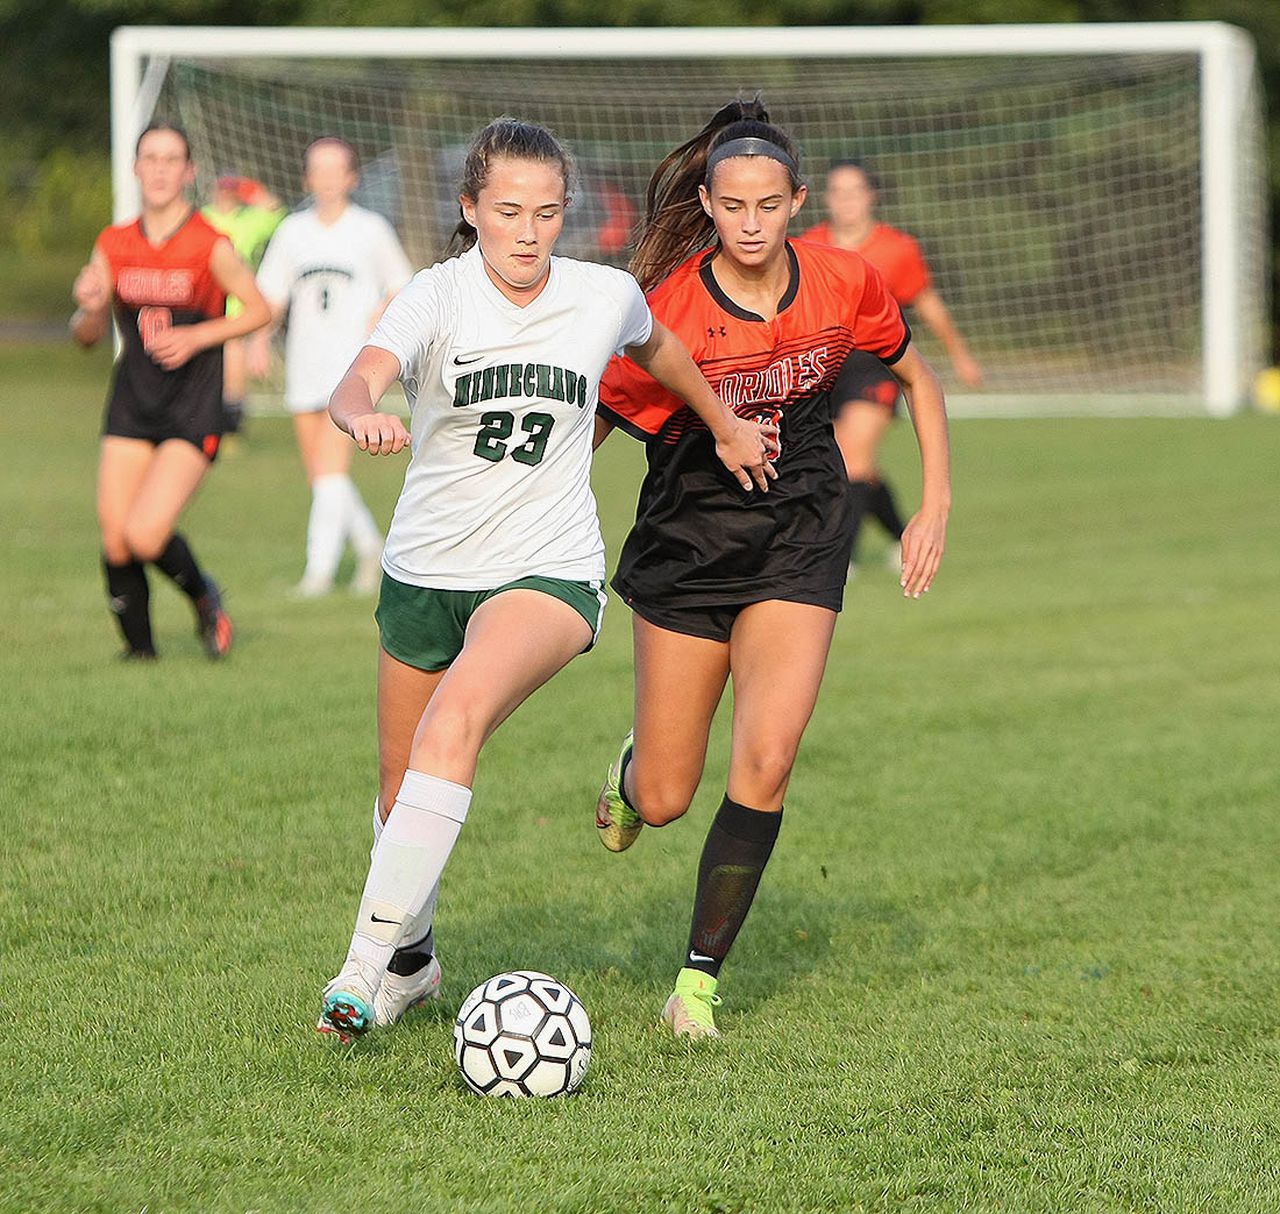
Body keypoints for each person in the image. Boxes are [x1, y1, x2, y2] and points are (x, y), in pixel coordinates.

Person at [314, 117, 774, 1043]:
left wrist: (722, 422)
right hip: (424, 569)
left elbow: (659, 350)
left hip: (547, 570)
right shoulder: (435, 296)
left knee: (457, 724)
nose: (529, 233)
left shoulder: (601, 294)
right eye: (510, 212)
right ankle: (411, 962)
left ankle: (359, 968)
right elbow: (354, 381)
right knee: (401, 789)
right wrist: (359, 416)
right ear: (471, 209)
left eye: (549, 213)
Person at [593, 100, 952, 1039]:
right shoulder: (663, 312)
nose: (751, 224)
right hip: (688, 545)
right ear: (706, 204)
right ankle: (633, 777)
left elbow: (917, 376)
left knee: (769, 756)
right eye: (733, 206)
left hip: (800, 536)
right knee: (669, 795)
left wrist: (937, 506)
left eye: (770, 205)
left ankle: (697, 986)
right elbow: (597, 423)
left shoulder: (845, 282)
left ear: (798, 202)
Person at [71, 121, 271, 661]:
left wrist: (198, 335)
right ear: (136, 168)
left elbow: (259, 310)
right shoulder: (113, 243)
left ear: (189, 172)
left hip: (192, 406)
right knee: (116, 538)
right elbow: (87, 339)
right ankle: (141, 657)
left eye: (170, 160)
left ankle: (205, 596)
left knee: (145, 534)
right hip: (133, 402)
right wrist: (90, 307)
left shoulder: (210, 243)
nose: (159, 170)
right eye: (149, 159)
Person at [249, 138, 414, 598]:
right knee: (322, 475)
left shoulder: (370, 229)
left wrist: (383, 309)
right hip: (305, 362)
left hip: (352, 368)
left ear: (352, 176)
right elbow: (272, 296)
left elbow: (403, 284)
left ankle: (317, 573)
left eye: (334, 169)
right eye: (317, 169)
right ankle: (368, 547)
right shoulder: (292, 231)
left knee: (331, 471)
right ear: (307, 178)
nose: (325, 178)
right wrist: (258, 341)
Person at [802, 159, 978, 575]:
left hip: (876, 365)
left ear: (870, 196)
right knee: (853, 462)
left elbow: (928, 304)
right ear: (825, 199)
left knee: (850, 457)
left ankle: (837, 559)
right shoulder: (809, 247)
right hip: (823, 366)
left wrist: (960, 355)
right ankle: (904, 537)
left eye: (854, 191)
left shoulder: (896, 248)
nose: (846, 200)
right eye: (837, 191)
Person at [201, 174, 286, 440]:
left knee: (234, 359)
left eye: (231, 190)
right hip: (206, 300)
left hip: (237, 303)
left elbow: (278, 213)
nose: (226, 195)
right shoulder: (203, 218)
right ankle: (206, 418)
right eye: (223, 190)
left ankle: (231, 423)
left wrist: (252, 188)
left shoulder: (250, 220)